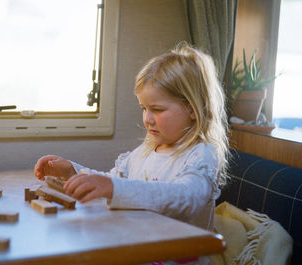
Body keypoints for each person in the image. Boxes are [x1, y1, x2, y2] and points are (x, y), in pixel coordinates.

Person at [34, 43, 229, 265]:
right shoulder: (144, 152)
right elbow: (113, 182)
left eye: (157, 109)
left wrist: (114, 188)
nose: (147, 118)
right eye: (144, 108)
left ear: (193, 109)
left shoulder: (201, 155)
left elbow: (186, 198)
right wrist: (73, 172)